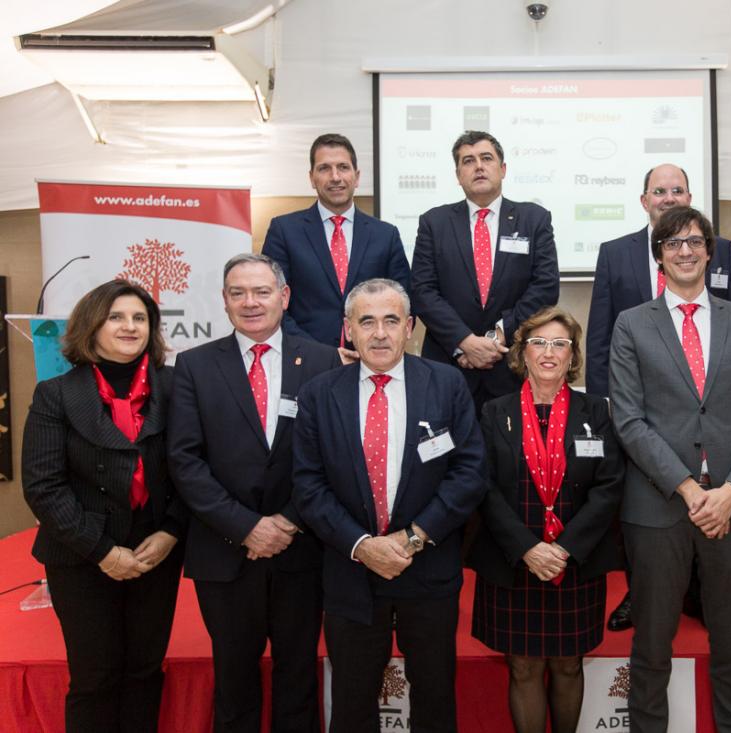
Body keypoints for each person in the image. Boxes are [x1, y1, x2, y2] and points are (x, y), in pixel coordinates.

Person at [609, 206, 731, 732]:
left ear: (709, 252)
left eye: (694, 242)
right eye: (672, 243)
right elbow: (629, 420)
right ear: (659, 257)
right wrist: (688, 489)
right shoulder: (631, 324)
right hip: (658, 508)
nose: (684, 251)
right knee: (651, 646)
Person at [292, 278, 486, 733]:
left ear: (410, 327)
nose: (379, 333)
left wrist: (413, 537)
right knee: (352, 702)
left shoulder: (447, 384)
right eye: (367, 321)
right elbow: (308, 484)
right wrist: (362, 545)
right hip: (351, 570)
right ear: (348, 330)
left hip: (429, 568)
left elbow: (469, 473)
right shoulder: (319, 394)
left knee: (435, 699)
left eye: (391, 321)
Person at [168, 254, 341, 732]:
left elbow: (334, 455)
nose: (251, 302)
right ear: (224, 301)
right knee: (234, 679)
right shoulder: (194, 365)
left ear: (284, 297)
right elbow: (184, 460)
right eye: (238, 293)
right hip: (224, 550)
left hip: (301, 549)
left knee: (298, 675)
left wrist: (288, 521)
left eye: (262, 291)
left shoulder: (323, 360)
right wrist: (246, 526)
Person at [22, 279, 186, 733]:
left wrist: (172, 532)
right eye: (116, 317)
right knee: (95, 677)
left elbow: (192, 468)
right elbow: (43, 485)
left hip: (155, 552)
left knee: (145, 671)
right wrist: (103, 552)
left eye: (139, 318)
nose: (130, 327)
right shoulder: (55, 393)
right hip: (81, 555)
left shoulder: (176, 388)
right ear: (91, 325)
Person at [587, 162, 731, 632]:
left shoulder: (721, 249)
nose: (669, 198)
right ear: (644, 201)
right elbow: (600, 336)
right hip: (640, 415)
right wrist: (603, 408)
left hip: (707, 414)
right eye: (660, 191)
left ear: (690, 197)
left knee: (702, 500)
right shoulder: (615, 253)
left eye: (678, 190)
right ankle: (641, 592)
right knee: (644, 511)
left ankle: (695, 590)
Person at [468, 307, 624, 733]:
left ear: (573, 355)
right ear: (523, 353)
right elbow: (483, 486)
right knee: (523, 666)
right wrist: (527, 548)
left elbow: (609, 485)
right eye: (538, 343)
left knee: (569, 663)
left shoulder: (596, 411)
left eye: (560, 344)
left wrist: (565, 549)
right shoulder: (494, 412)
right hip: (514, 559)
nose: (549, 352)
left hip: (574, 560)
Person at [410, 130, 559, 411]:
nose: (478, 166)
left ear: (503, 169)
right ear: (458, 175)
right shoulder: (434, 222)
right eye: (468, 161)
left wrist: (496, 337)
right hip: (449, 365)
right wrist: (464, 342)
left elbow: (545, 287)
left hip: (511, 364)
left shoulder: (534, 219)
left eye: (486, 158)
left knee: (511, 440)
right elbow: (422, 291)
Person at [262, 132, 410, 350]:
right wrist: (320, 354)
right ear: (311, 178)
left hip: (369, 356)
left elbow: (402, 302)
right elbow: (272, 302)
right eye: (324, 168)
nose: (335, 177)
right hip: (305, 357)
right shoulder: (284, 231)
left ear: (356, 177)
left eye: (343, 167)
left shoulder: (386, 235)